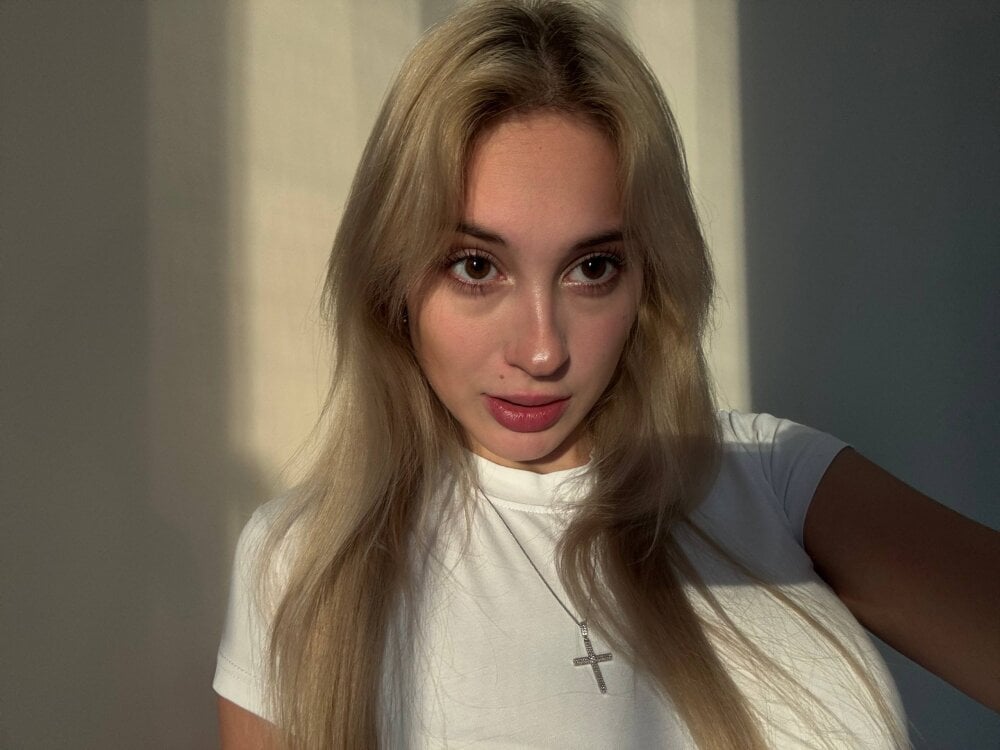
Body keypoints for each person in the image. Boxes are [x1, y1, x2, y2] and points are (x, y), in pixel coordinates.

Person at [213, 1, 1000, 747]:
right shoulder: (306, 566)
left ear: (648, 277)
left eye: (592, 268)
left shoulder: (773, 477)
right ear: (394, 277)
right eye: (476, 266)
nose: (542, 351)